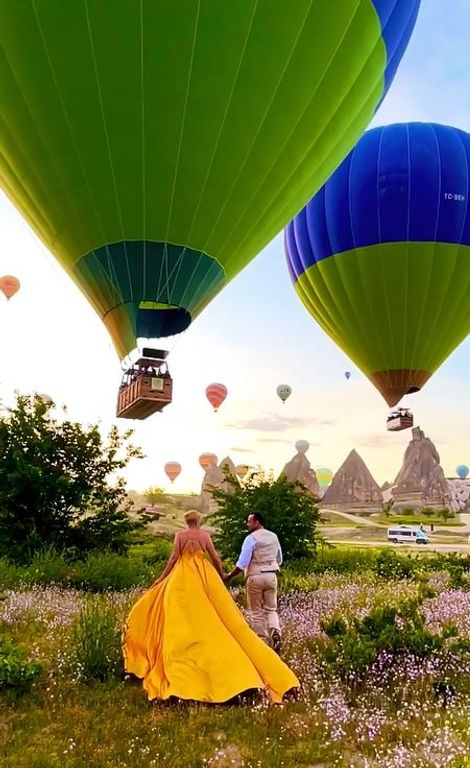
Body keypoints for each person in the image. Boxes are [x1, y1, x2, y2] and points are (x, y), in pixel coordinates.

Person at [123, 509, 298, 704]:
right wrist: (221, 574)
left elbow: (173, 559)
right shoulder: (205, 536)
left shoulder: (180, 536)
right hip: (206, 576)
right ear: (199, 521)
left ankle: (183, 653)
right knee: (223, 615)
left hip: (182, 577)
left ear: (186, 521)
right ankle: (258, 645)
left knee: (179, 613)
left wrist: (161, 578)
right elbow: (214, 557)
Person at [224, 512, 283, 653]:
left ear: (257, 522)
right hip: (271, 575)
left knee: (256, 611)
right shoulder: (273, 536)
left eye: (249, 521)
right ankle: (275, 631)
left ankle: (261, 641)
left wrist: (229, 576)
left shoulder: (251, 539)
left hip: (255, 576)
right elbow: (279, 558)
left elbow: (242, 563)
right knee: (271, 609)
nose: (247, 524)